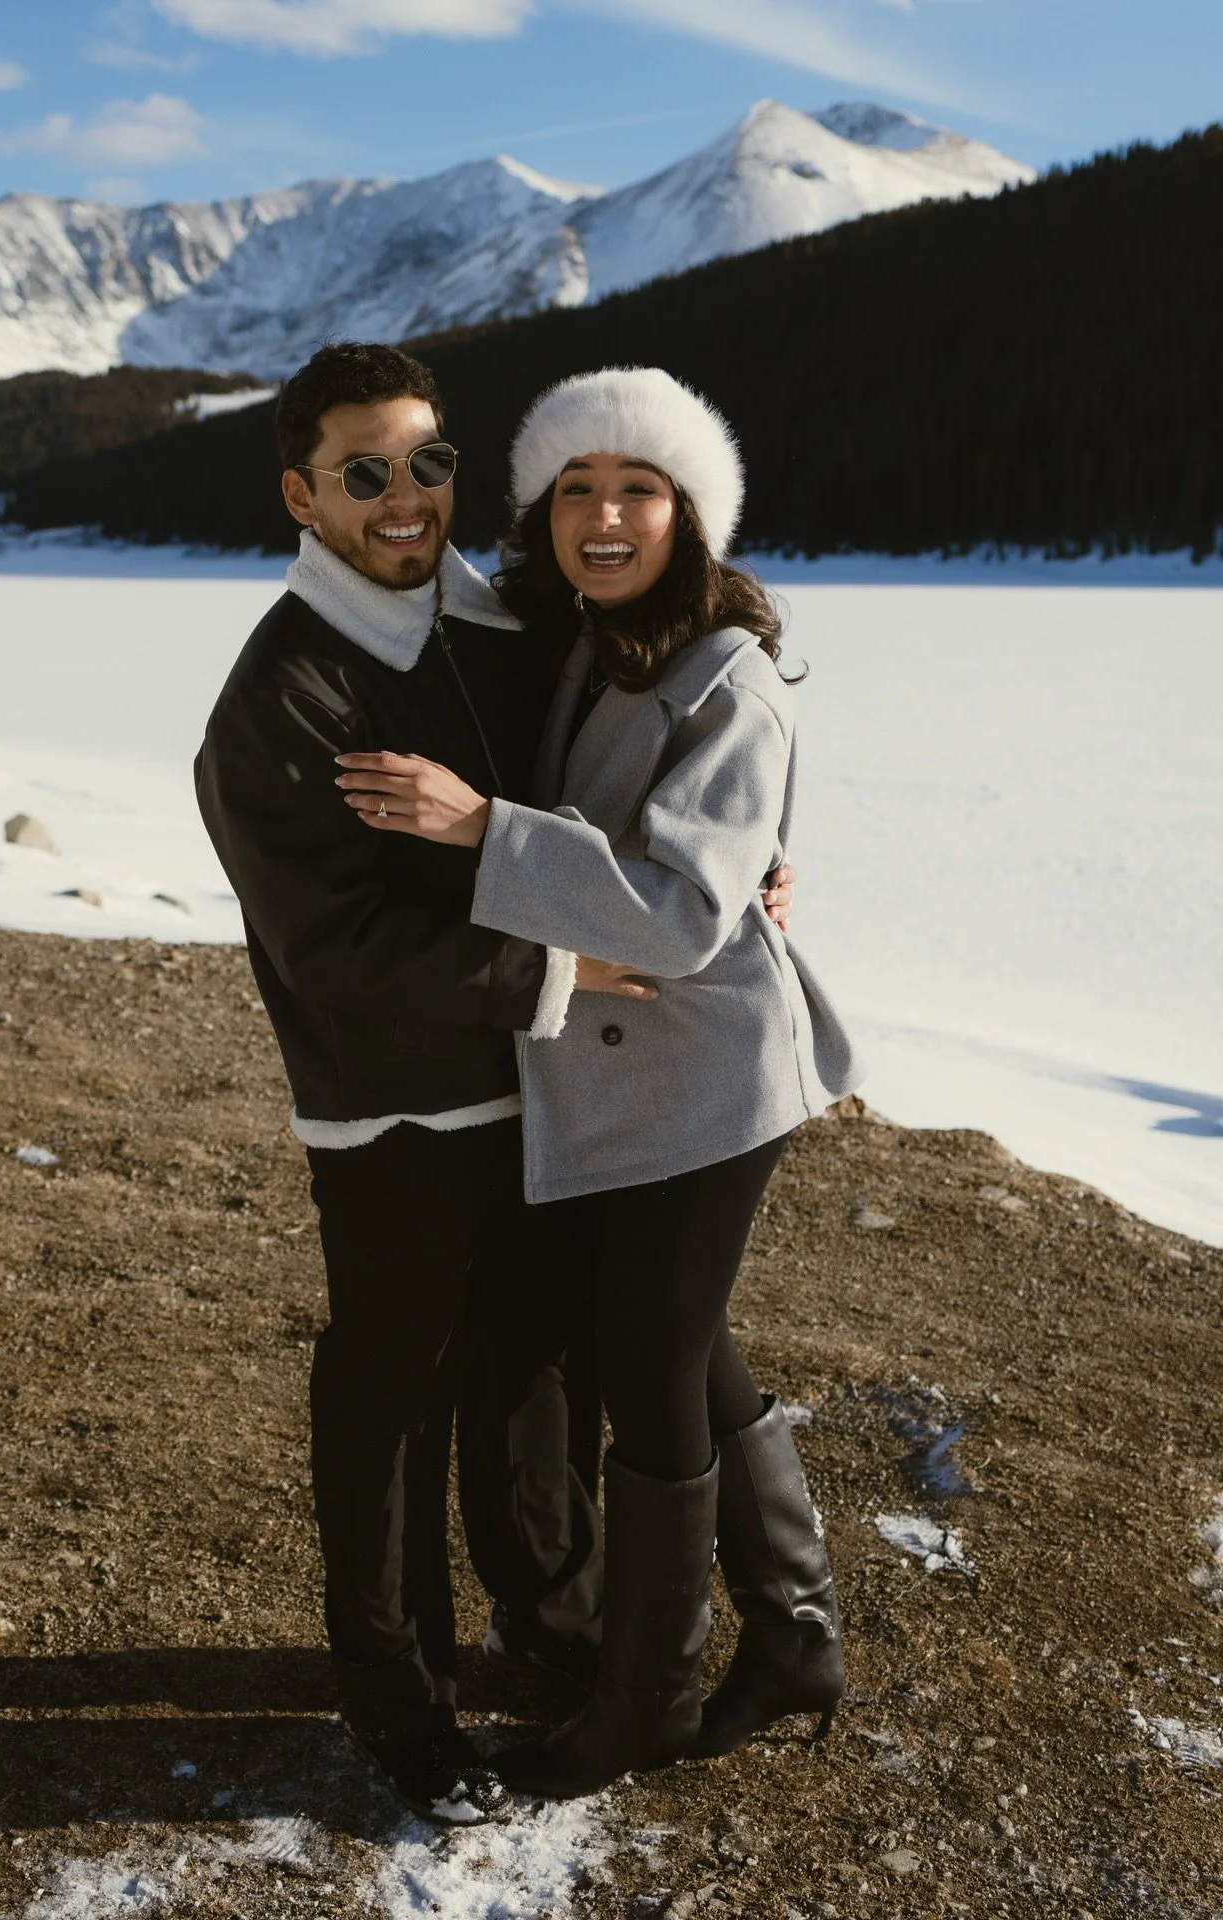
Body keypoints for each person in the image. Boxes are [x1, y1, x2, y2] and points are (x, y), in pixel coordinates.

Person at [194, 343, 796, 1822]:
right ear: (301, 492)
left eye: (429, 462)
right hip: (394, 1103)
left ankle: (563, 1617)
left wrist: (754, 865)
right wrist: (563, 973)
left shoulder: (512, 624)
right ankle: (399, 1693)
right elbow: (335, 949)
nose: (406, 497)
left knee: (531, 1378)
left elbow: (641, 787)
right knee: (393, 1394)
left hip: (546, 1094)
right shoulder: (282, 692)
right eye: (364, 471)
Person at [335, 366, 862, 1798]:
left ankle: (647, 1697)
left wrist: (479, 828)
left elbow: (684, 918)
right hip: (604, 1070)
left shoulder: (724, 679)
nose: (605, 515)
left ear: (692, 515)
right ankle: (796, 1638)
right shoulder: (568, 636)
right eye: (576, 489)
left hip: (702, 1075)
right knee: (687, 1349)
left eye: (638, 488)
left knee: (646, 1368)